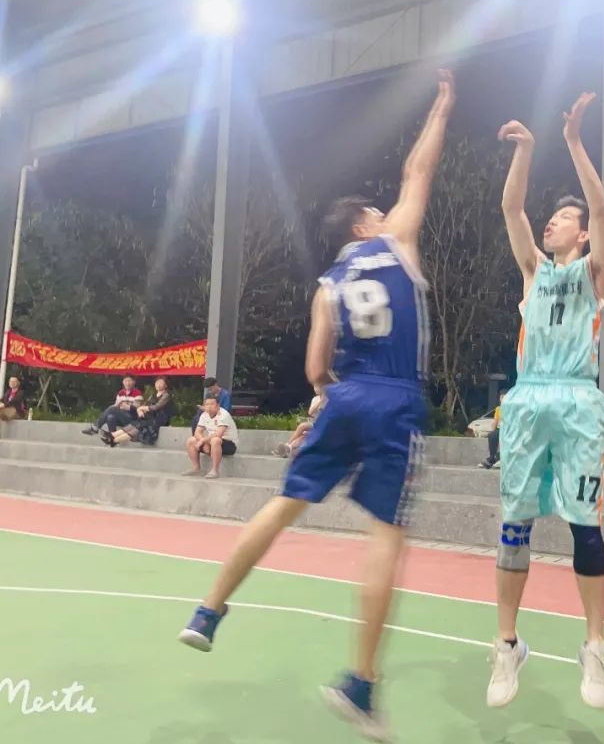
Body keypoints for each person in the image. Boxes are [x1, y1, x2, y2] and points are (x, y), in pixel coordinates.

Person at [177, 71, 454, 742]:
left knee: (284, 504)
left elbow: (313, 369)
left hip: (344, 395)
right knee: (386, 536)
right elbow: (419, 171)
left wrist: (333, 397)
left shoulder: (328, 284)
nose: (387, 213)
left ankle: (208, 610)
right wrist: (443, 104)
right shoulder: (396, 243)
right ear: (364, 224)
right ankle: (361, 682)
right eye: (377, 211)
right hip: (394, 399)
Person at [488, 93, 604, 710]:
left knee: (584, 526)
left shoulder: (594, 274)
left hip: (577, 403)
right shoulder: (533, 272)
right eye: (553, 218)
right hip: (527, 400)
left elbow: (601, 205)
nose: (551, 223)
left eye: (563, 219)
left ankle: (595, 646)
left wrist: (572, 141)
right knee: (515, 525)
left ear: (582, 234)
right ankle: (506, 644)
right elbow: (511, 206)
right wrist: (527, 150)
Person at [102, 377, 174, 446]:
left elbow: (156, 407)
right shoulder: (153, 395)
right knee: (136, 423)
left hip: (160, 419)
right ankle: (113, 436)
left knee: (141, 426)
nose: (158, 384)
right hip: (151, 417)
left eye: (161, 383)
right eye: (157, 382)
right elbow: (145, 405)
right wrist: (140, 410)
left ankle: (114, 439)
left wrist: (143, 408)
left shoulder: (166, 395)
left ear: (166, 385)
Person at [184, 396, 239, 479]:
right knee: (191, 440)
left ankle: (215, 471)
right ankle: (196, 468)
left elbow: (218, 434)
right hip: (210, 442)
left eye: (212, 404)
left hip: (228, 444)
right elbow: (197, 432)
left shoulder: (224, 414)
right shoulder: (204, 415)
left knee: (215, 440)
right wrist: (205, 443)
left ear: (218, 406)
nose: (209, 406)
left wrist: (203, 440)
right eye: (207, 404)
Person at [273, 385, 326, 458]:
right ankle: (287, 446)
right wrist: (320, 401)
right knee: (303, 428)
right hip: (315, 423)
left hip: (324, 425)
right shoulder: (315, 399)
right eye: (315, 387)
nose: (316, 389)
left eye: (318, 387)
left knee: (305, 434)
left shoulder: (329, 400)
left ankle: (287, 448)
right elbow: (310, 412)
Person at [478, 389, 507, 469]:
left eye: (505, 397)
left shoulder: (512, 409)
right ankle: (492, 457)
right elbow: (495, 422)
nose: (503, 399)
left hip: (509, 429)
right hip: (500, 429)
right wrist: (493, 427)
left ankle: (492, 459)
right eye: (501, 397)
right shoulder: (498, 409)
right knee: (492, 436)